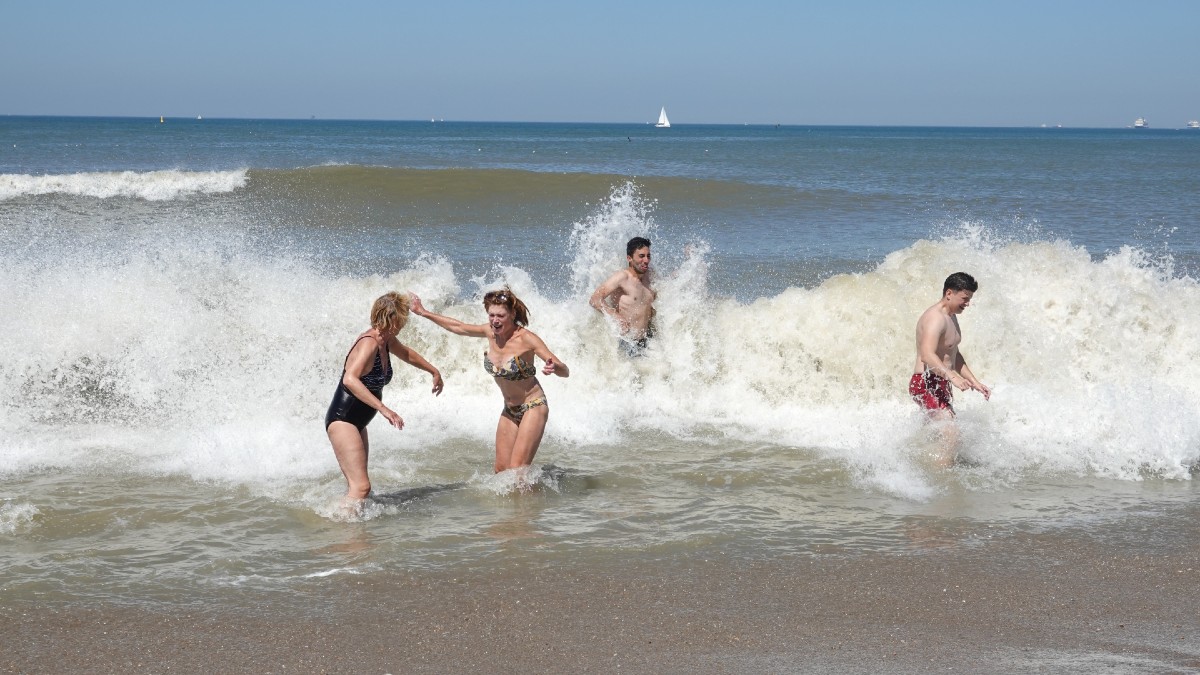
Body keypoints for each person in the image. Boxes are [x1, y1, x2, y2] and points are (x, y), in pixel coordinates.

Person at [410, 288, 569, 475]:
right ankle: (513, 504)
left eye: (500, 316)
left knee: (518, 471)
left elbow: (564, 371)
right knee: (501, 471)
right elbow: (458, 327)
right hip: (510, 410)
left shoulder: (527, 339)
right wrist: (423, 312)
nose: (495, 320)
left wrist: (554, 367)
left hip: (533, 406)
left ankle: (530, 504)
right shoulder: (489, 332)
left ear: (512, 314)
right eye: (491, 315)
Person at [326, 292, 443, 507]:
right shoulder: (369, 343)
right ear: (391, 319)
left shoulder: (386, 339)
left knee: (359, 489)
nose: (405, 322)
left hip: (358, 422)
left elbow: (407, 354)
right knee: (361, 488)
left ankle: (352, 529)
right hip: (343, 420)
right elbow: (350, 379)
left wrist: (433, 371)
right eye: (402, 317)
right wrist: (384, 409)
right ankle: (342, 530)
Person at [910, 272, 991, 466]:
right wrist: (953, 378)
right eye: (964, 298)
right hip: (925, 382)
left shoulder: (951, 317)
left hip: (941, 381)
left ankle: (918, 466)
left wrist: (975, 382)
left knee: (939, 433)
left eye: (969, 299)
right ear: (949, 293)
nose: (967, 303)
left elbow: (954, 355)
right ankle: (941, 478)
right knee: (951, 433)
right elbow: (927, 355)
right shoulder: (934, 318)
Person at [589, 236, 657, 357]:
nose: (646, 260)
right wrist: (616, 316)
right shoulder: (622, 277)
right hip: (627, 342)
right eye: (641, 256)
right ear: (629, 258)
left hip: (648, 340)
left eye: (648, 256)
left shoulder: (650, 276)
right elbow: (595, 299)